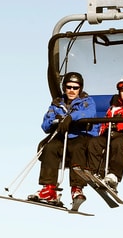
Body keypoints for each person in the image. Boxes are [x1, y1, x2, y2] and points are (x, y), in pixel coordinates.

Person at [29, 72, 99, 206]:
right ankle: (49, 189)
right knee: (50, 147)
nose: (72, 90)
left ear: (80, 88)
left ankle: (76, 188)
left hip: (80, 135)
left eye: (75, 87)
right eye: (69, 87)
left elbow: (91, 113)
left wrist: (71, 117)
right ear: (64, 88)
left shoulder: (86, 101)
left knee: (78, 148)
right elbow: (45, 125)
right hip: (62, 136)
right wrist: (56, 121)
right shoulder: (57, 103)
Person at [84, 76, 123, 193]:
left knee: (118, 142)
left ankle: (114, 176)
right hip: (110, 134)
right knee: (94, 142)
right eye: (122, 91)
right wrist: (104, 130)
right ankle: (97, 172)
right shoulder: (113, 108)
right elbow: (105, 123)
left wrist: (121, 126)